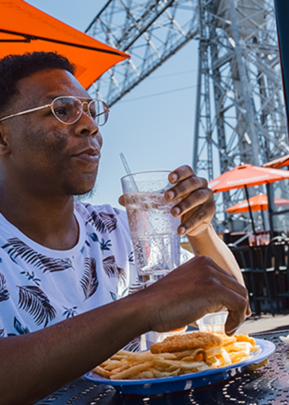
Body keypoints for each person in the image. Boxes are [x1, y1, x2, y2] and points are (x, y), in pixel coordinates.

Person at [0, 52, 249, 404]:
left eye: (91, 110)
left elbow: (232, 311)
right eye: (62, 109)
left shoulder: (119, 229)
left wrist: (201, 230)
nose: (90, 125)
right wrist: (146, 306)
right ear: (3, 137)